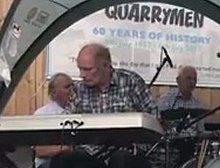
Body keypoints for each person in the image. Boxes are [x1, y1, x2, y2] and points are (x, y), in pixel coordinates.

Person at [51, 42, 157, 168]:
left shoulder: (131, 82)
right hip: (91, 155)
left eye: (88, 69)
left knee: (121, 159)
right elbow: (67, 124)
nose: (82, 75)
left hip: (126, 153)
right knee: (62, 160)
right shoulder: (79, 89)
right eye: (80, 69)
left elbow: (155, 121)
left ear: (106, 65)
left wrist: (137, 146)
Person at [158, 65, 205, 167]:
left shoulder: (198, 105)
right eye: (188, 78)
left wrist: (213, 134)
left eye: (194, 79)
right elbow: (159, 125)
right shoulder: (167, 100)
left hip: (192, 146)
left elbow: (201, 132)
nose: (192, 82)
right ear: (178, 80)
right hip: (171, 146)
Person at [34, 72, 74, 168]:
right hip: (47, 163)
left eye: (73, 87)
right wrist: (65, 149)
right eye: (67, 87)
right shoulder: (42, 114)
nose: (72, 91)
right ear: (54, 92)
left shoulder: (75, 112)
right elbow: (40, 150)